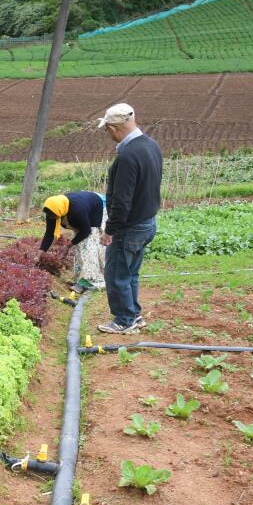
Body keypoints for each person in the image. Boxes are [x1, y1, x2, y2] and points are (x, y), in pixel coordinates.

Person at [97, 103, 163, 335]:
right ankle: (134, 314)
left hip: (130, 227)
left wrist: (110, 230)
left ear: (115, 128)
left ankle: (125, 320)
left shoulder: (128, 155)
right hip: (147, 221)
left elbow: (122, 200)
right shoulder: (151, 145)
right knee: (130, 272)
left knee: (116, 274)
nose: (108, 135)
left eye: (107, 130)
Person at [41, 191, 107, 292]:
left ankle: (90, 280)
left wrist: (67, 246)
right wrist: (41, 252)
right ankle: (80, 278)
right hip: (82, 214)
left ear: (59, 211)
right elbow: (49, 234)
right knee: (80, 248)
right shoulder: (52, 210)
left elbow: (86, 231)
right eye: (48, 215)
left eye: (51, 216)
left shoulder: (77, 211)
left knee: (89, 246)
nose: (50, 217)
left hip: (97, 208)